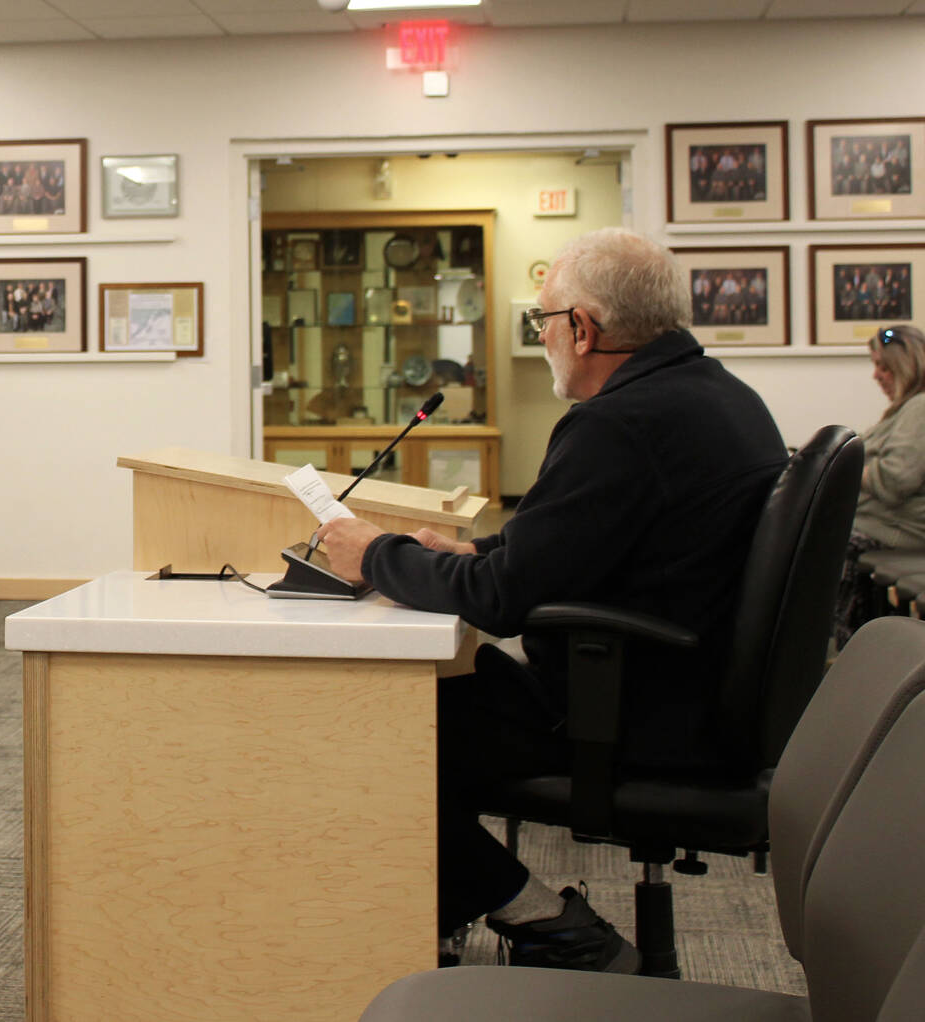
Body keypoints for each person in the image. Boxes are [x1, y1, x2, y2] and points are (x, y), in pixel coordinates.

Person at [317, 228, 785, 973]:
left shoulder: (617, 426)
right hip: (684, 692)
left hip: (625, 710)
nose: (542, 337)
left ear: (582, 327)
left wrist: (373, 554)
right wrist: (474, 551)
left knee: (367, 735)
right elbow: (583, 543)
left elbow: (500, 603)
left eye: (543, 321)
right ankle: (440, 922)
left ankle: (550, 923)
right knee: (422, 708)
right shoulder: (715, 396)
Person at [833, 324, 925, 647]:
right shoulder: (905, 410)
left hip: (896, 531)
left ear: (907, 366)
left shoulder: (920, 408)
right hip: (881, 525)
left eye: (883, 366)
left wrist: (849, 468)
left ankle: (845, 647)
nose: (876, 376)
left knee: (822, 543)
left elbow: (897, 478)